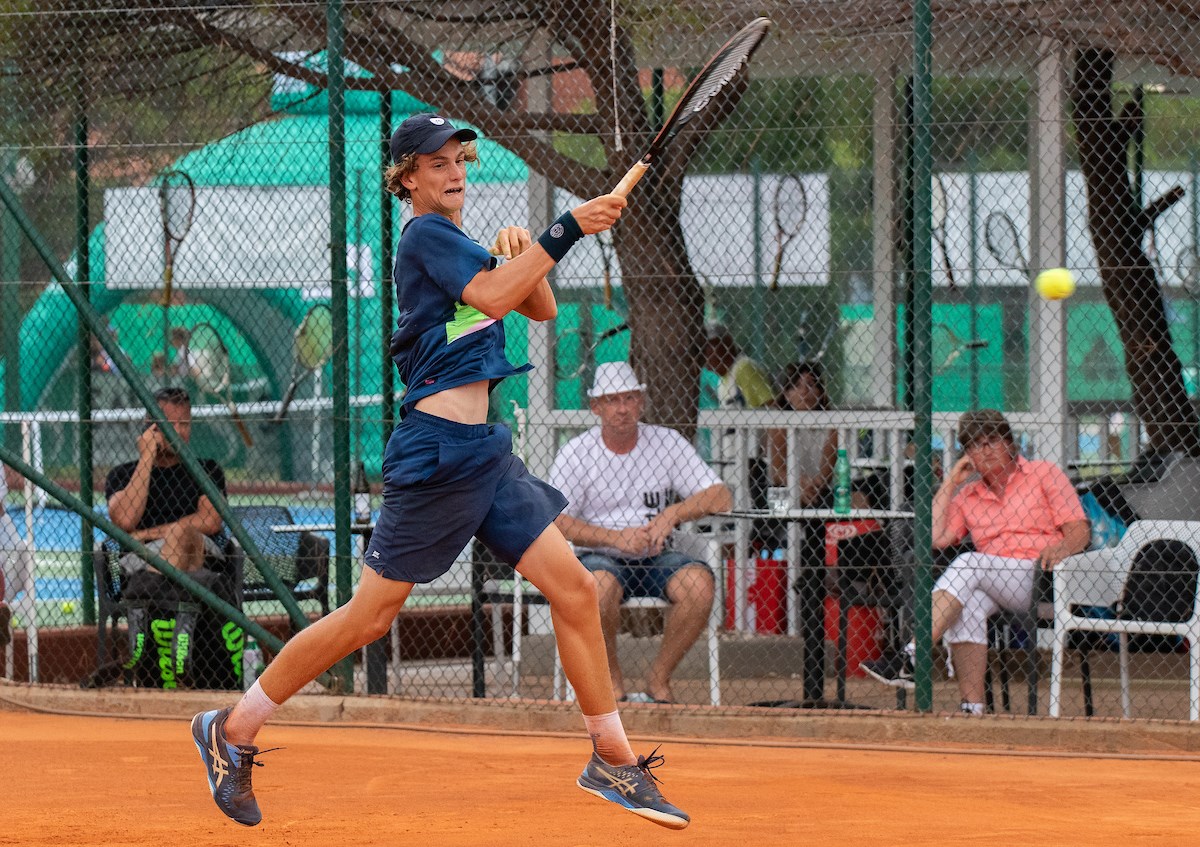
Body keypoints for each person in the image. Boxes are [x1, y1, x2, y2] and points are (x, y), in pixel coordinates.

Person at [190, 113, 690, 830]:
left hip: (486, 455)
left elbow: (539, 307)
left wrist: (527, 248)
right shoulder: (424, 236)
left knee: (576, 589)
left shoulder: (462, 244)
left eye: (459, 159)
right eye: (436, 163)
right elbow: (493, 298)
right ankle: (232, 728)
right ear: (407, 179)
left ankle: (611, 758)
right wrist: (568, 228)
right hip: (435, 456)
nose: (454, 172)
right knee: (370, 617)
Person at [861, 409, 1089, 715]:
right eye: (975, 445)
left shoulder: (1043, 473)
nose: (985, 450)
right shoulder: (969, 494)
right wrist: (950, 482)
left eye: (992, 441)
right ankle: (972, 707)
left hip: (1041, 577)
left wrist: (1061, 548)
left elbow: (1079, 531)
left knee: (969, 562)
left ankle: (912, 655)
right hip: (993, 580)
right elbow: (936, 538)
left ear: (1010, 443)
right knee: (968, 604)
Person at [549, 361, 732, 704]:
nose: (622, 408)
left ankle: (658, 680)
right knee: (598, 588)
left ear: (641, 402)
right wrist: (615, 538)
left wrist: (673, 514)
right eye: (612, 400)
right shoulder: (577, 453)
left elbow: (720, 496)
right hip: (600, 556)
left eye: (630, 398)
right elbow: (555, 520)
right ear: (596, 407)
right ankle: (612, 682)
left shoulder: (666, 443)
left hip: (657, 554)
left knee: (699, 586)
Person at [105, 387, 227, 576]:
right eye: (170, 425)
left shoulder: (207, 469)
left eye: (184, 424)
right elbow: (125, 520)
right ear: (151, 426)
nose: (178, 431)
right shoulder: (122, 474)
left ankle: (155, 590)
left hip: (199, 554)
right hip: (142, 558)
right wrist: (147, 457)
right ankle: (164, 590)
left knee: (182, 533)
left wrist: (146, 534)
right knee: (179, 536)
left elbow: (210, 521)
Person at [702, 322, 773, 509]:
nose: (704, 357)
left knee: (755, 512)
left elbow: (770, 407)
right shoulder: (723, 381)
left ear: (726, 343)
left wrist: (763, 452)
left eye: (707, 349)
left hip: (754, 461)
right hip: (734, 459)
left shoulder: (744, 368)